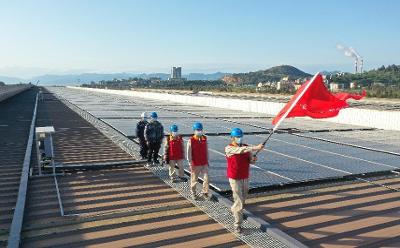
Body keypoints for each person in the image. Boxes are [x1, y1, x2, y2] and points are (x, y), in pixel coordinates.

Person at [225, 128, 264, 234]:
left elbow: (250, 160)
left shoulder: (246, 147)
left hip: (245, 177)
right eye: (237, 137)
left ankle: (235, 210)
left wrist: (254, 159)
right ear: (232, 138)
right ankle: (237, 225)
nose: (239, 138)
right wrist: (255, 147)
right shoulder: (229, 148)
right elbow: (240, 151)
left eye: (240, 136)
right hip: (235, 178)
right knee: (238, 201)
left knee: (243, 198)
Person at [187, 122, 210, 200]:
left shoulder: (204, 138)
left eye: (200, 130)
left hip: (204, 163)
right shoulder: (191, 140)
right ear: (194, 131)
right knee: (194, 179)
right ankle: (193, 193)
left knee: (207, 177)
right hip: (195, 164)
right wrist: (190, 163)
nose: (199, 131)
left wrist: (207, 161)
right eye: (197, 130)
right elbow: (189, 153)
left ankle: (205, 192)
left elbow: (206, 150)